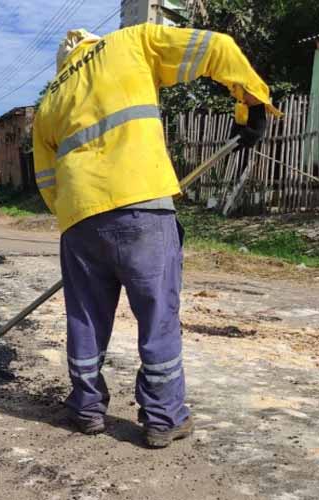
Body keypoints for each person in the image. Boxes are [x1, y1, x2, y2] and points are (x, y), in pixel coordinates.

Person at [32, 25, 279, 448]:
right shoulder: (131, 42)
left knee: (85, 319)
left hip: (80, 218)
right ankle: (163, 418)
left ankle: (87, 408)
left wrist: (78, 217)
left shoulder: (49, 100)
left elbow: (46, 179)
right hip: (143, 205)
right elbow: (217, 47)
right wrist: (252, 106)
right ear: (92, 42)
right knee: (157, 315)